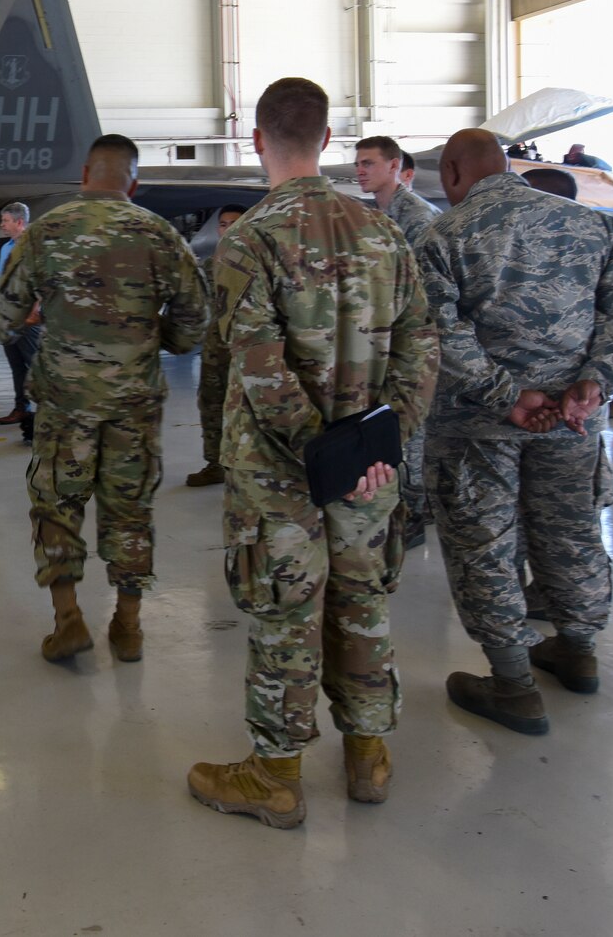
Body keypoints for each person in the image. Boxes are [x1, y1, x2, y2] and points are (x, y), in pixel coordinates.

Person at [185, 83, 434, 830]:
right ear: (327, 142)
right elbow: (423, 345)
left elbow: (256, 364)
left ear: (257, 141)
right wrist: (381, 446)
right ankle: (367, 759)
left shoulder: (251, 238)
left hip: (280, 475)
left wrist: (317, 451)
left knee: (286, 611)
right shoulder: (384, 233)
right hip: (371, 474)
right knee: (363, 603)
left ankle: (277, 775)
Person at [418, 130, 613, 736]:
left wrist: (507, 394)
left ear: (451, 171)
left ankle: (514, 683)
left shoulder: (444, 236)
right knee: (571, 528)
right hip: (573, 420)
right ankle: (576, 649)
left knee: (483, 544)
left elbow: (442, 332)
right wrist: (596, 383)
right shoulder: (594, 225)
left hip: (480, 426)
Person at [0, 136, 207, 667]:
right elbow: (195, 321)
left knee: (57, 507)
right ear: (133, 182)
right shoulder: (160, 235)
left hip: (65, 404)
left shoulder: (46, 233)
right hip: (135, 404)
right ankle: (128, 626)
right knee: (130, 510)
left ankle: (69, 621)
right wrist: (154, 342)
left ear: (85, 172)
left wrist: (50, 320)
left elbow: (3, 320)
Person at [352, 136, 441, 543]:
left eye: (369, 163)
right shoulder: (382, 213)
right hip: (387, 339)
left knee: (412, 430)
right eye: (358, 163)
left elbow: (425, 292)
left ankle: (415, 514)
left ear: (394, 167)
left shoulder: (417, 218)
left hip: (412, 340)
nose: (360, 170)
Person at [189, 205, 248, 488]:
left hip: (247, 352)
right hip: (215, 350)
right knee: (211, 405)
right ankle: (215, 463)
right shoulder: (209, 265)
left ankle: (246, 468)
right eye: (223, 224)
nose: (227, 228)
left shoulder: (257, 262)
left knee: (247, 411)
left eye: (233, 223)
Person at [0, 203, 39, 427]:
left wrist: (34, 313)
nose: (2, 225)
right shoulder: (5, 248)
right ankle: (22, 407)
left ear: (19, 222)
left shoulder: (34, 247)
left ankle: (48, 411)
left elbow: (42, 283)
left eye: (5, 221)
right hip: (8, 317)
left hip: (28, 319)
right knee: (16, 366)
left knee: (35, 365)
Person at [354, 135, 439, 245]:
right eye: (357, 165)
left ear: (393, 165)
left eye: (367, 164)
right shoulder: (372, 211)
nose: (359, 172)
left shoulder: (417, 217)